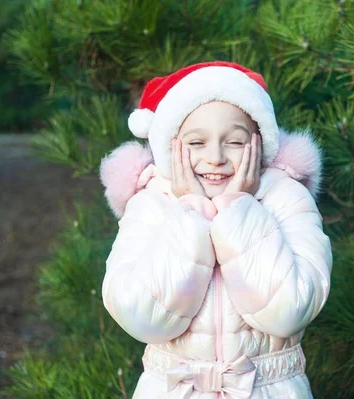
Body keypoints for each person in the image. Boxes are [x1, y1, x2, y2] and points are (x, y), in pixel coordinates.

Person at [99, 61, 332, 398]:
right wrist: (190, 213)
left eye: (235, 142)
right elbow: (140, 316)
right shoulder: (150, 205)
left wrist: (240, 209)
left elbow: (290, 311)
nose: (216, 157)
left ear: (259, 142)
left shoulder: (286, 198)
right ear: (171, 146)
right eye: (196, 143)